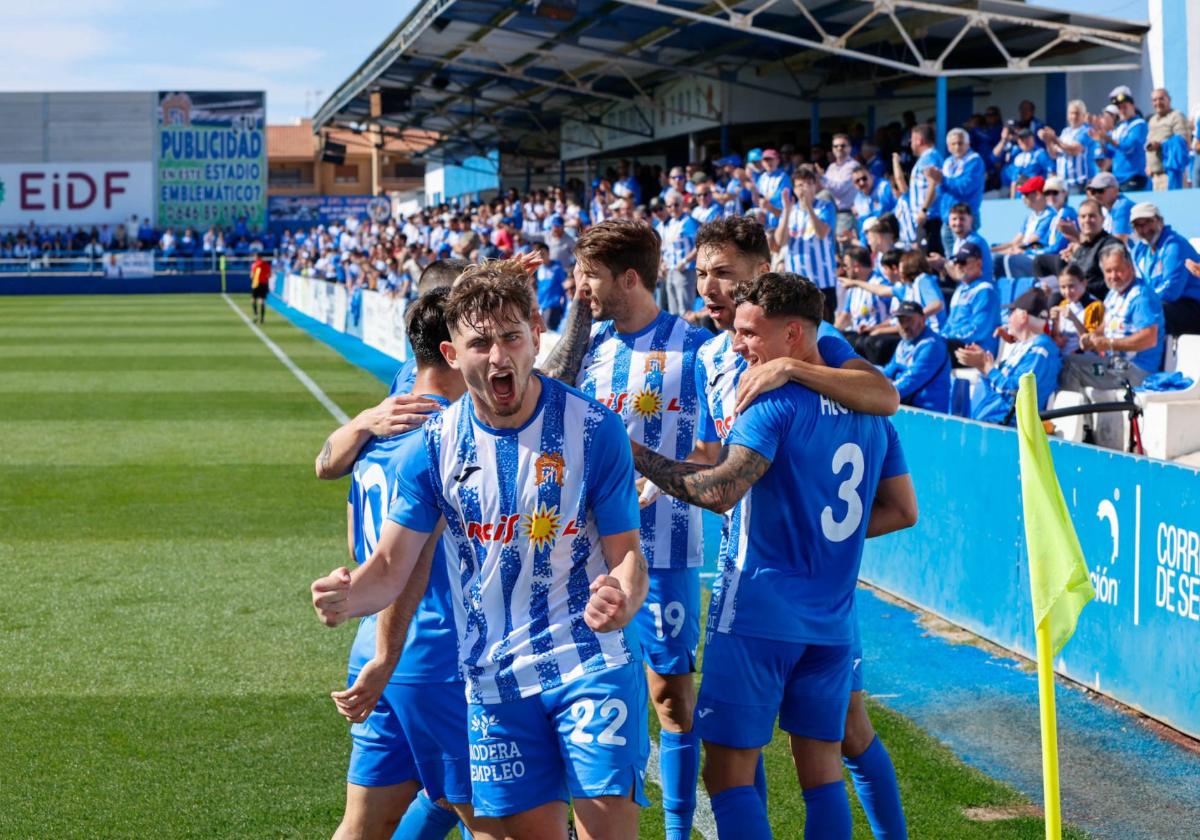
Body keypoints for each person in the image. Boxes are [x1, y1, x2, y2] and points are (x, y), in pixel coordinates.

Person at [311, 262, 650, 840]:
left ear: (536, 335)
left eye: (512, 338)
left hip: (592, 659)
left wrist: (624, 593)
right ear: (451, 353)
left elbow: (627, 554)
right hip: (494, 678)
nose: (499, 358)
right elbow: (392, 567)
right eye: (480, 343)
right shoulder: (432, 447)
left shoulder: (595, 429)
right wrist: (348, 595)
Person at [630, 272, 916, 840]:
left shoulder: (772, 402)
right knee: (823, 774)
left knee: (729, 777)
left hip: (758, 611)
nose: (738, 345)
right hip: (832, 620)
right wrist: (817, 536)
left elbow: (719, 491)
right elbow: (902, 510)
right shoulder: (871, 413)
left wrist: (635, 453)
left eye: (749, 333)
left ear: (791, 335)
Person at [315, 290, 498, 840]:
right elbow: (407, 563)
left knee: (366, 824)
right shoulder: (448, 437)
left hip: (375, 646)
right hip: (438, 653)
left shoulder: (384, 425)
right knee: (500, 821)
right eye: (480, 341)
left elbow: (356, 544)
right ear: (452, 351)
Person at [568, 220, 710, 840]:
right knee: (580, 696)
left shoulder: (695, 348)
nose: (581, 287)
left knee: (670, 698)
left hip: (669, 550)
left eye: (591, 276)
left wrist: (670, 476)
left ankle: (679, 832)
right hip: (586, 557)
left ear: (630, 277)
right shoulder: (589, 345)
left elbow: (716, 449)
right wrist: (574, 314)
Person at [956, 289, 1062, 426]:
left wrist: (988, 369)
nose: (1007, 319)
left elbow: (1017, 391)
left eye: (1010, 313)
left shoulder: (1041, 349)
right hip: (992, 421)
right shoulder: (1024, 346)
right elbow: (998, 388)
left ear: (1023, 316)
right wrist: (982, 365)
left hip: (1007, 427)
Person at [775, 164, 839, 320]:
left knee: (824, 331)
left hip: (822, 283)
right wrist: (788, 211)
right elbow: (779, 242)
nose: (803, 189)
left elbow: (822, 233)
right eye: (799, 185)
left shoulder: (826, 206)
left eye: (807, 184)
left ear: (814, 186)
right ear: (794, 189)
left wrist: (809, 208)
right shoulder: (790, 211)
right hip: (797, 284)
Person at [1129, 203, 1200, 335]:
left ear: (1160, 221)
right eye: (1138, 225)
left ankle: (1157, 355)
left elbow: (1171, 291)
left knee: (1154, 309)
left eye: (1148, 222)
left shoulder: (1174, 246)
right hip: (1166, 304)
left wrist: (1142, 301)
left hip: (1193, 307)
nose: (1144, 229)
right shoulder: (1139, 251)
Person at [1037, 198, 1120, 300]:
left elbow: (1112, 281)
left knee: (1055, 299)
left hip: (1097, 301)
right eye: (1083, 217)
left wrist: (1078, 288)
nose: (1087, 220)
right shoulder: (1081, 247)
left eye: (1092, 216)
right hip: (1077, 296)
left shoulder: (1111, 245)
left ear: (1102, 219)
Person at [925, 127, 985, 256]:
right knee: (950, 258)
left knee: (964, 259)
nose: (957, 147)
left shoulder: (974, 161)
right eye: (953, 144)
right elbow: (942, 191)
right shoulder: (948, 163)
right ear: (948, 147)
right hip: (948, 218)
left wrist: (942, 179)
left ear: (968, 144)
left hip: (965, 219)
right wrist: (936, 179)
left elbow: (965, 187)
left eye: (960, 143)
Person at [883, 301, 951, 412]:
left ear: (923, 320)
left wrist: (878, 394)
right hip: (906, 409)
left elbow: (910, 381)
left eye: (909, 320)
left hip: (928, 416)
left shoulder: (932, 345)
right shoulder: (904, 343)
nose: (904, 325)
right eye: (901, 321)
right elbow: (888, 371)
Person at [941, 242, 1001, 358]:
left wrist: (946, 338)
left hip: (976, 350)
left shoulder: (985, 291)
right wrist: (939, 337)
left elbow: (977, 330)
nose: (958, 266)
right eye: (956, 262)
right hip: (956, 345)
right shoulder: (960, 291)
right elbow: (949, 323)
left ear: (979, 264)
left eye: (963, 262)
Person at [992, 175, 1055, 281]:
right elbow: (1015, 242)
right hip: (1024, 254)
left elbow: (1027, 244)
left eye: (1026, 194)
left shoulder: (1049, 216)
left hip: (1036, 258)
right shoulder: (1030, 217)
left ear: (1038, 195)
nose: (1023, 198)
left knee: (1001, 260)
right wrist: (990, 250)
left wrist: (1003, 252)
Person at [836, 246, 890, 359]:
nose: (844, 269)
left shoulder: (881, 284)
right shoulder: (853, 286)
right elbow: (845, 317)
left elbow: (895, 316)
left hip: (877, 338)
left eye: (846, 265)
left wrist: (877, 328)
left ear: (856, 266)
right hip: (859, 337)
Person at [1091, 86, 1149, 192]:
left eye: (1125, 106)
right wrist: (1102, 139)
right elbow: (1110, 154)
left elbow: (1129, 147)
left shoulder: (1138, 124)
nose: (1122, 110)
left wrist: (1108, 139)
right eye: (1119, 108)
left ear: (1132, 106)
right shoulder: (1120, 127)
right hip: (1119, 179)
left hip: (1133, 176)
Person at [899, 124, 943, 253]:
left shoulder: (928, 158)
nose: (910, 144)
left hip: (930, 218)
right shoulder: (930, 157)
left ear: (919, 141)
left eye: (911, 140)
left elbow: (933, 184)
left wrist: (924, 209)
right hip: (928, 218)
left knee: (929, 256)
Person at [1040, 99, 1097, 193]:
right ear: (1067, 115)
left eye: (1077, 113)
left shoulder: (1087, 131)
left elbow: (1074, 150)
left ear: (1083, 116)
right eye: (1071, 113)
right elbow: (1053, 154)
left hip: (1080, 182)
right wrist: (1048, 140)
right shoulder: (1065, 132)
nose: (1074, 116)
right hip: (1063, 183)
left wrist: (1054, 138)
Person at [661, 189, 700, 317]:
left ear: (682, 204)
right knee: (673, 312)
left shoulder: (688, 221)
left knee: (685, 310)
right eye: (669, 206)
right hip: (671, 271)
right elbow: (666, 247)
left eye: (676, 204)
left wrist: (685, 261)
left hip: (684, 270)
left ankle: (688, 337)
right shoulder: (669, 223)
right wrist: (663, 264)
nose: (673, 208)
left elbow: (699, 244)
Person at [1048, 264, 1100, 356]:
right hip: (1063, 356)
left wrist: (1074, 319)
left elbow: (1092, 343)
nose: (1067, 292)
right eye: (1063, 287)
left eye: (1071, 286)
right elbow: (1057, 335)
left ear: (1084, 283)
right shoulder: (1063, 304)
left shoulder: (1094, 306)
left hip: (1083, 359)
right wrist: (1055, 325)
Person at [1146, 88, 1190, 192]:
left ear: (1169, 100)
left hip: (1170, 175)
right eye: (1154, 100)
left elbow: (1182, 142)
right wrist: (1148, 165)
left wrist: (1160, 145)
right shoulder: (1152, 120)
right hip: (1155, 177)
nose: (1158, 102)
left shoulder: (1176, 116)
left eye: (1161, 99)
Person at [850, 167, 896, 242]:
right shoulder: (858, 200)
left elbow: (897, 209)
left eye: (864, 178)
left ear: (871, 176)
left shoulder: (885, 188)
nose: (861, 183)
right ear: (854, 184)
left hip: (892, 236)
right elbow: (862, 226)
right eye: (857, 181)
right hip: (875, 242)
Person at [534, 241, 568, 331]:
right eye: (539, 254)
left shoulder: (557, 268)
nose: (541, 256)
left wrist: (564, 306)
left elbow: (564, 287)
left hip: (553, 307)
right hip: (541, 306)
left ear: (548, 253)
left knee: (550, 333)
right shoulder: (539, 269)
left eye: (543, 253)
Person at [249, 252, 271, 324]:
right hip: (263, 283)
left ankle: (255, 315)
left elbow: (252, 276)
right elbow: (269, 275)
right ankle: (262, 318)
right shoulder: (266, 264)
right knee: (262, 300)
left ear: (257, 257)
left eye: (254, 257)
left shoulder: (254, 265)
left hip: (256, 283)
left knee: (253, 299)